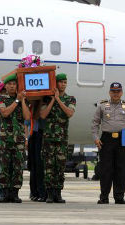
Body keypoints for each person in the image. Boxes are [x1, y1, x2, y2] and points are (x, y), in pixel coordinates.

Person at [92, 82, 125, 204]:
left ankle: (119, 197)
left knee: (121, 169)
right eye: (113, 92)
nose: (116, 94)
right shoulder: (102, 106)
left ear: (121, 93)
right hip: (107, 139)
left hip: (122, 139)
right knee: (106, 169)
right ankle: (104, 197)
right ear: (110, 92)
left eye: (118, 92)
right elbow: (95, 123)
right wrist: (96, 137)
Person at [40, 73, 76, 203]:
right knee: (49, 167)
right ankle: (49, 194)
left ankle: (58, 193)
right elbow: (43, 115)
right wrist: (53, 100)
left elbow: (69, 113)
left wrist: (58, 100)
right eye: (61, 82)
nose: (63, 84)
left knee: (60, 167)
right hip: (49, 139)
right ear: (55, 84)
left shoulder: (71, 99)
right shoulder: (46, 99)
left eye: (65, 82)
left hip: (62, 139)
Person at [0, 74, 30, 203]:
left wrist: (22, 100)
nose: (12, 86)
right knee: (4, 167)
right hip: (5, 139)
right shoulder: (1, 99)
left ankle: (14, 193)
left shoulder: (23, 100)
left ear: (17, 86)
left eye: (14, 84)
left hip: (19, 140)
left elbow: (27, 117)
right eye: (9, 84)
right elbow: (4, 113)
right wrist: (16, 100)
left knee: (18, 167)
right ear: (5, 86)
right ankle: (4, 193)